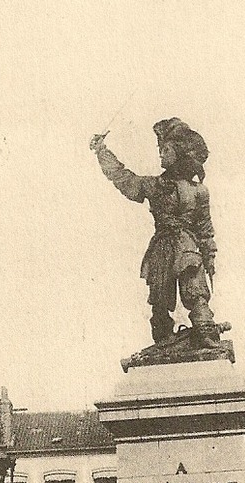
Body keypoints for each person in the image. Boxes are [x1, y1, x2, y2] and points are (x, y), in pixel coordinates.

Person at [90, 119, 220, 348]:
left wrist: (209, 256)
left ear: (179, 154)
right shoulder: (154, 185)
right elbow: (123, 178)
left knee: (195, 290)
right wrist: (102, 152)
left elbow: (205, 229)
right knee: (159, 298)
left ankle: (205, 330)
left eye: (166, 150)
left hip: (186, 247)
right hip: (161, 248)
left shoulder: (199, 191)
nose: (161, 155)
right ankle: (163, 339)